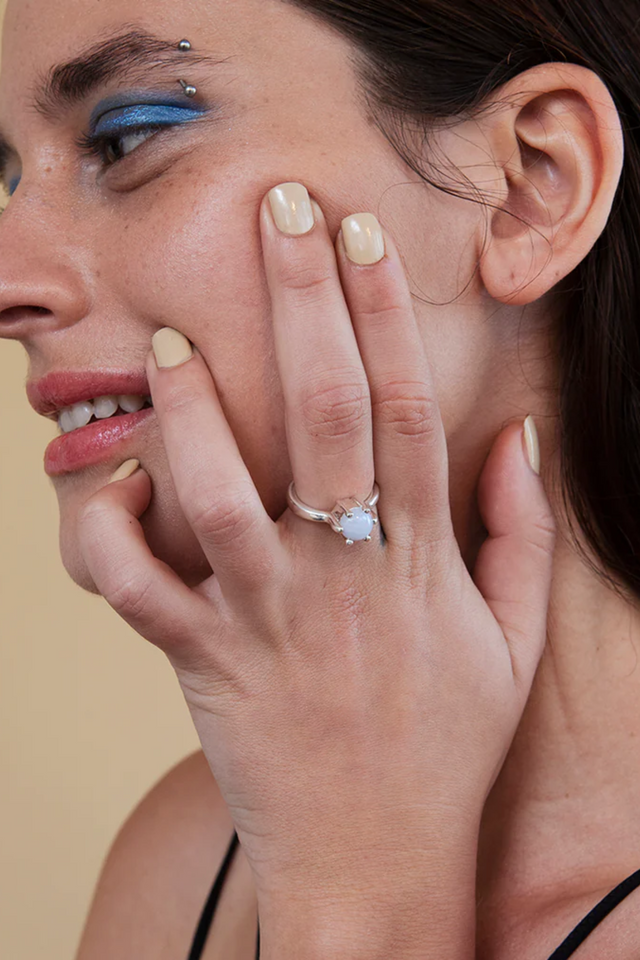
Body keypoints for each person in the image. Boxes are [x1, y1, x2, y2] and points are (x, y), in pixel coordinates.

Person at [1, 0, 640, 956]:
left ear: (530, 186)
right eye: (6, 178)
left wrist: (363, 895)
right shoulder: (185, 863)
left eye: (127, 135)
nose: (10, 279)